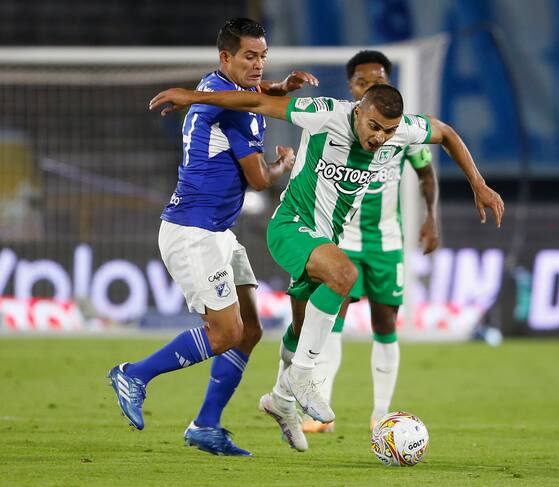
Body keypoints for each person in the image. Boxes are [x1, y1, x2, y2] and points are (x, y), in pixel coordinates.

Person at [149, 82, 505, 453]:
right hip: (290, 226)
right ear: (357, 113)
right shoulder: (325, 113)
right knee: (345, 276)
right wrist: (194, 98)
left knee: (302, 329)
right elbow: (257, 100)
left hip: (324, 240)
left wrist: (478, 184)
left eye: (388, 130)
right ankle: (303, 377)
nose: (379, 137)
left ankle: (281, 400)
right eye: (373, 126)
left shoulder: (404, 131)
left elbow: (445, 132)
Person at [107, 17, 318, 457]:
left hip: (217, 231)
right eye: (249, 56)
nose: (258, 64)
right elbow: (258, 180)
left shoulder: (219, 87)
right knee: (224, 333)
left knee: (250, 329)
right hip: (194, 232)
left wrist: (279, 87)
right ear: (226, 58)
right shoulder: (234, 110)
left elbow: (244, 97)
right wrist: (282, 165)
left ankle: (205, 425)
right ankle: (135, 374)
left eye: (263, 56)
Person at [301, 50, 439, 435]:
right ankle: (318, 409)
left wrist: (430, 217)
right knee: (332, 321)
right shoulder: (340, 124)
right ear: (352, 87)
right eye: (363, 82)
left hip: (386, 241)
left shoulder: (401, 130)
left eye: (378, 80)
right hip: (341, 237)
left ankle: (381, 414)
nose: (371, 87)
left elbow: (426, 173)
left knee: (385, 323)